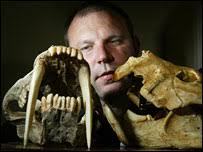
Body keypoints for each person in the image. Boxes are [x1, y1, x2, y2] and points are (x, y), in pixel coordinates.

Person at [64, 1, 202, 148]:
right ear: (72, 64)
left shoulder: (187, 102)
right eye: (86, 48)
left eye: (114, 41)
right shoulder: (70, 130)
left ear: (135, 46)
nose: (103, 56)